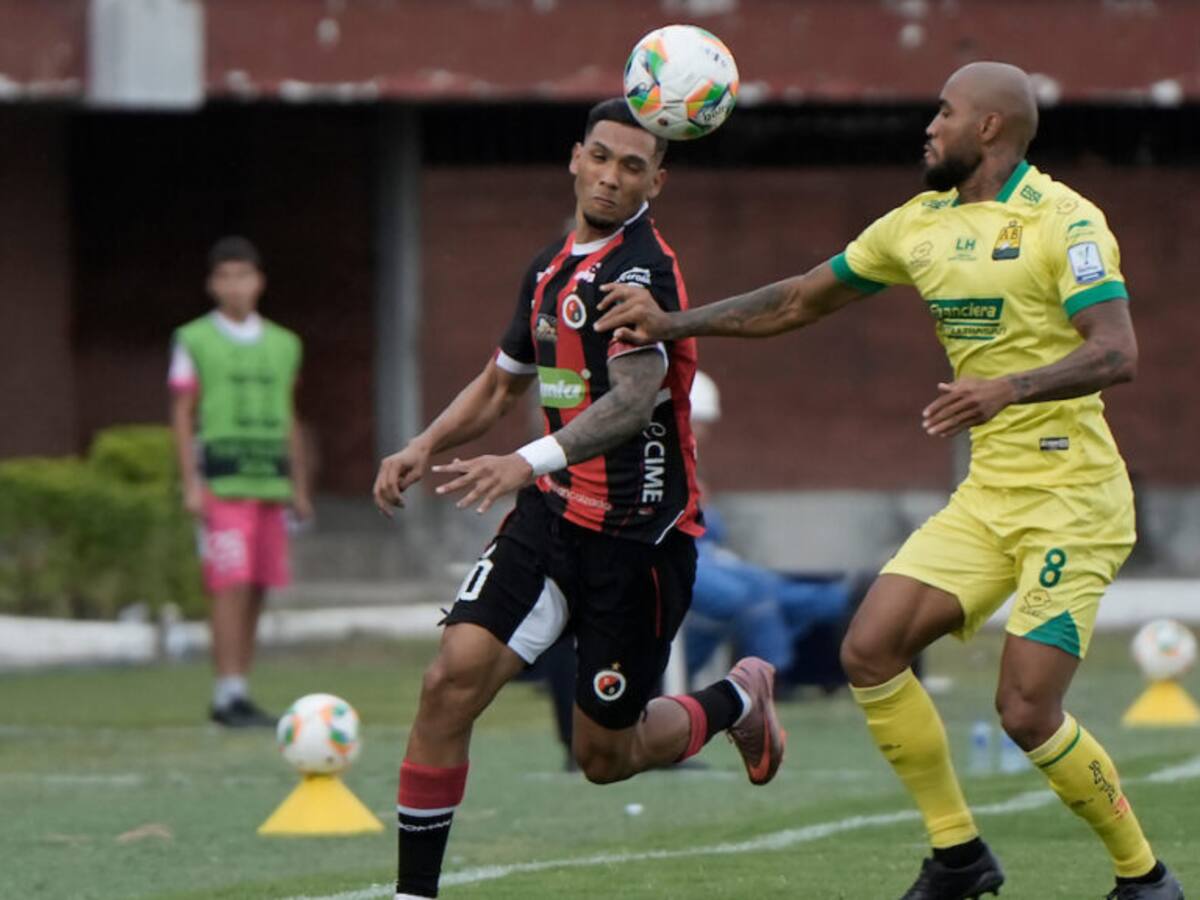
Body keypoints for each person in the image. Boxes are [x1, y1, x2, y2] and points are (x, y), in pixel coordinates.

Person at [595, 62, 1182, 900]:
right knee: (868, 651)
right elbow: (799, 299)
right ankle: (958, 857)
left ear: (989, 127)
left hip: (1074, 501)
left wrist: (1005, 388)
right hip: (991, 497)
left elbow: (1117, 350)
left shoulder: (1065, 219)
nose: (929, 127)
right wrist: (673, 322)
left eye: (944, 113)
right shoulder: (918, 225)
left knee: (1024, 712)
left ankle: (1144, 878)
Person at [372, 98, 786, 900]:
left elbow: (633, 401)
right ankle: (412, 895)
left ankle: (738, 697)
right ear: (575, 157)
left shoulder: (642, 273)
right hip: (553, 519)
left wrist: (525, 461)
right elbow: (503, 383)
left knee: (607, 759)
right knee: (448, 681)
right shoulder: (549, 267)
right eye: (601, 156)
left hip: (637, 542)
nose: (611, 175)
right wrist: (425, 445)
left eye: (633, 166)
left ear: (656, 181)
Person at [169, 236, 310, 727]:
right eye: (225, 276)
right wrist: (192, 482)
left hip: (270, 482)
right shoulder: (193, 339)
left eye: (244, 275)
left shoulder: (285, 343)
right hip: (223, 483)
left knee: (257, 586)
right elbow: (183, 415)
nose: (236, 286)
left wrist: (300, 485)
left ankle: (241, 688)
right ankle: (225, 692)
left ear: (260, 282)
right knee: (227, 584)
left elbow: (290, 416)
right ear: (212, 284)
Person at [685, 371, 852, 683]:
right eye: (697, 422)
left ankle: (846, 602)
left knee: (769, 587)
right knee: (748, 595)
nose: (703, 432)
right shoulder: (657, 466)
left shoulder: (691, 467)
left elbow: (713, 534)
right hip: (679, 561)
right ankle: (773, 678)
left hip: (706, 557)